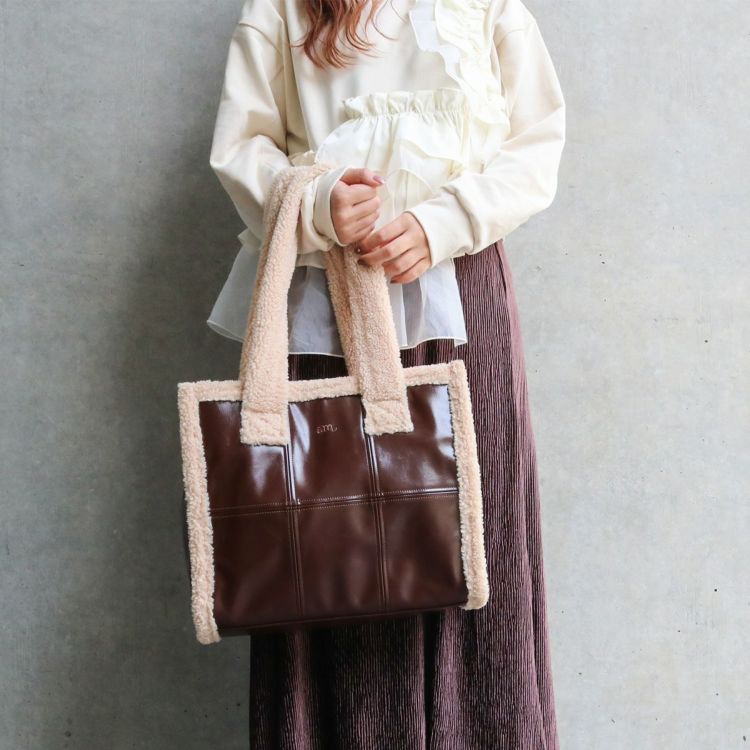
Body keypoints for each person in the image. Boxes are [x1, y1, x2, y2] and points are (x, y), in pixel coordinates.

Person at [207, 0, 565, 746]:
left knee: (471, 548)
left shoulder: (486, 6)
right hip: (328, 304)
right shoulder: (280, 8)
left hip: (460, 302)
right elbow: (241, 144)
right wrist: (317, 204)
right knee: (331, 551)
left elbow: (535, 142)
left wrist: (443, 223)